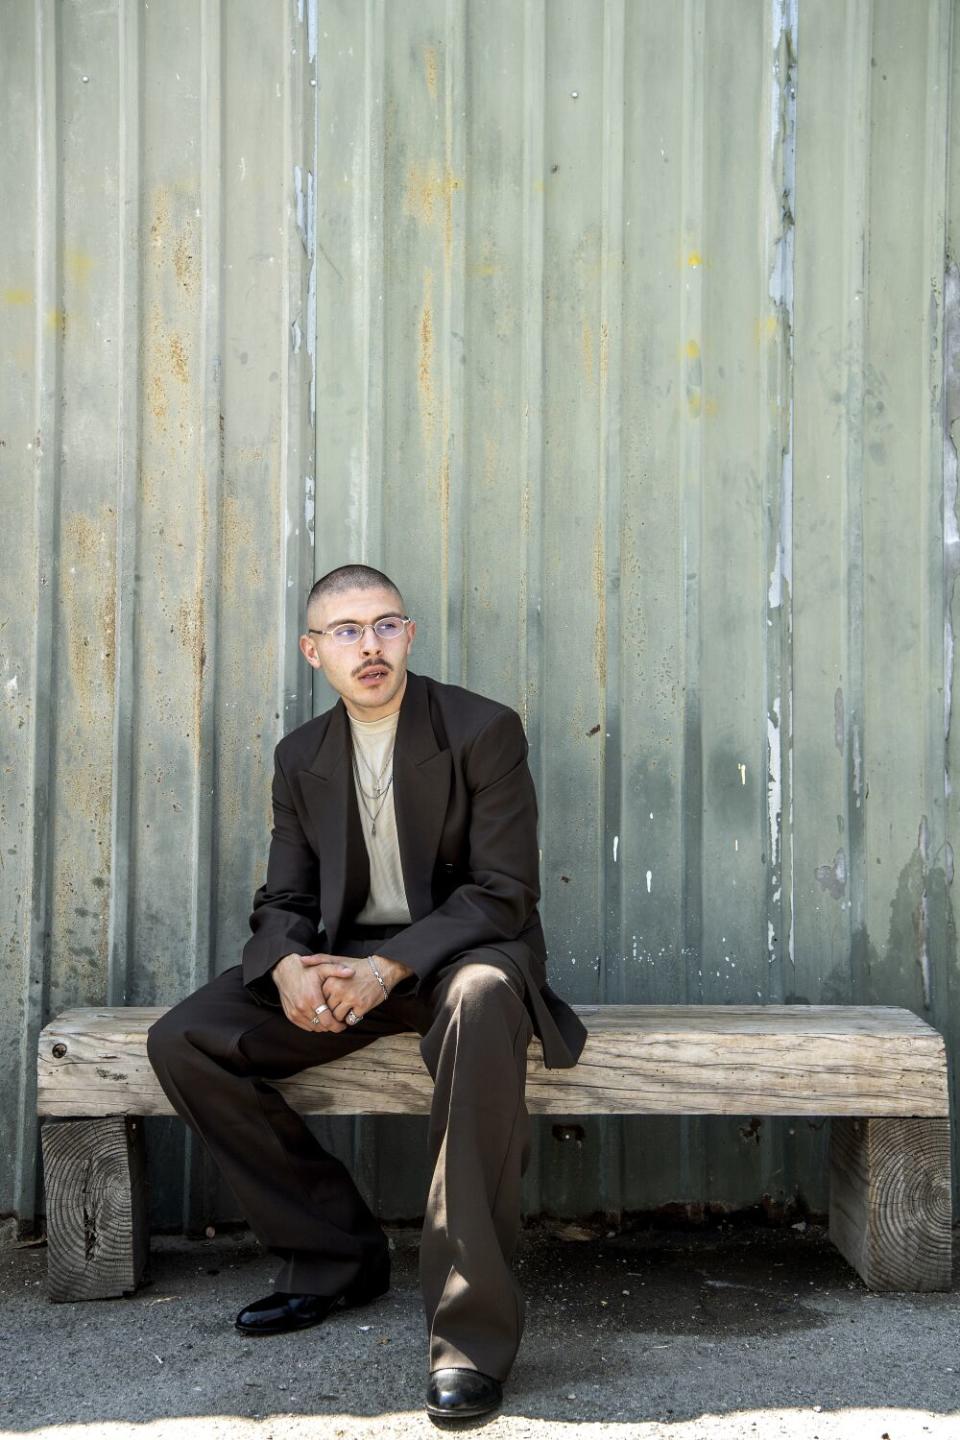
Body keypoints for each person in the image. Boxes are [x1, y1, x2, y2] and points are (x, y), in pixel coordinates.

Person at [147, 563, 587, 1421]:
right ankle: (334, 1257)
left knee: (483, 998)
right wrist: (284, 964)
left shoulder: (482, 730)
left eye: (385, 625)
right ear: (315, 653)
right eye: (346, 632)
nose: (370, 646)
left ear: (410, 637)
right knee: (187, 1038)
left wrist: (391, 968)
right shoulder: (301, 756)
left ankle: (471, 1338)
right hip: (347, 968)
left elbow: (503, 891)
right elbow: (284, 901)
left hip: (463, 957)